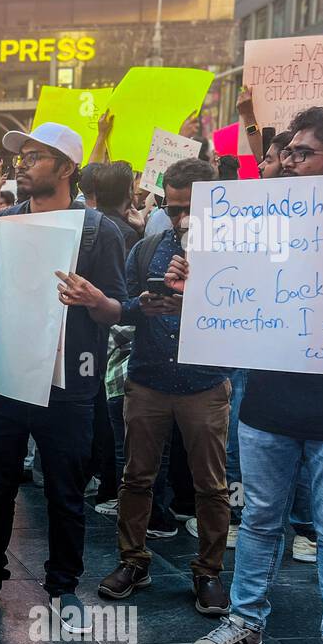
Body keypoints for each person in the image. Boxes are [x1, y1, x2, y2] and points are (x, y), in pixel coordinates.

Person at [187, 105, 323, 644]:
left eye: (302, 153)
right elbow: (230, 291)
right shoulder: (262, 220)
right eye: (287, 151)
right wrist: (192, 292)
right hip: (269, 402)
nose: (287, 162)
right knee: (261, 521)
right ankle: (246, 620)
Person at [0, 122, 127, 631]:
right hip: (5, 380)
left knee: (65, 491)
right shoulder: (1, 224)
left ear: (67, 168)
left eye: (34, 156)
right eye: (20, 156)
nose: (20, 164)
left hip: (70, 384)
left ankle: (63, 585)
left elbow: (117, 309)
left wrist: (96, 301)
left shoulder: (100, 230)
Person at [97, 158, 230, 615]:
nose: (181, 218)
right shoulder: (150, 245)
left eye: (189, 207)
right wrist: (145, 304)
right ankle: (133, 561)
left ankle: (208, 572)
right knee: (136, 478)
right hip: (149, 377)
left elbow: (244, 316)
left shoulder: (235, 251)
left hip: (204, 382)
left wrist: (196, 294)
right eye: (172, 207)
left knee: (211, 485)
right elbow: (125, 306)